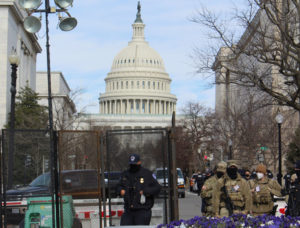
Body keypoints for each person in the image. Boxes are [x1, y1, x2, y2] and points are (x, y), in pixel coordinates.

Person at [117, 154, 161, 225]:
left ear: (139, 163)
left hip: (142, 210)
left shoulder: (147, 174)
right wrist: (120, 190)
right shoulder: (125, 174)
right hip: (128, 210)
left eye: (135, 164)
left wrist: (145, 191)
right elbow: (118, 186)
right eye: (131, 164)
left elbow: (157, 188)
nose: (133, 166)